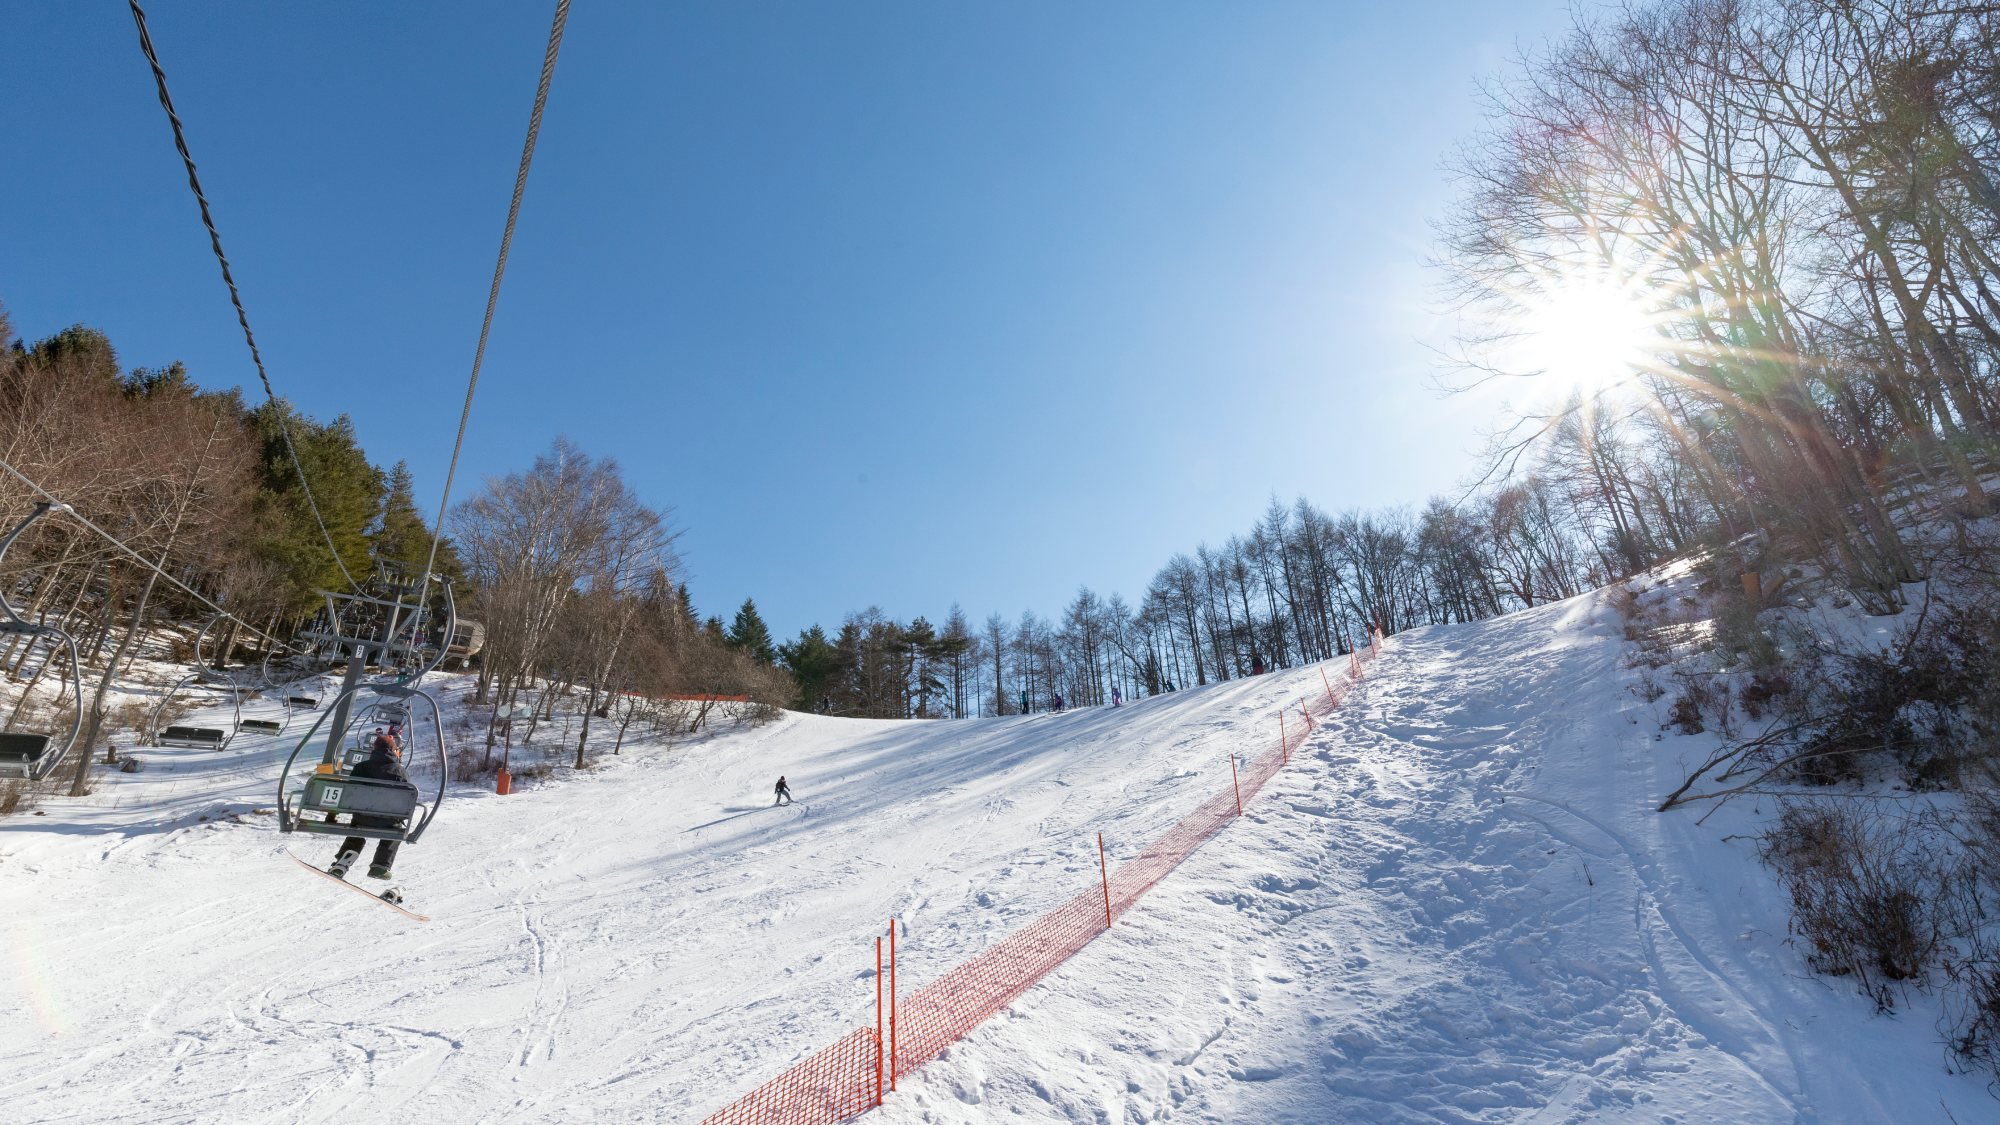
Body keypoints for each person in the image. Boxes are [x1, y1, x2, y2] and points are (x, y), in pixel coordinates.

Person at [328, 730, 418, 881]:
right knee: (395, 833)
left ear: (374, 750)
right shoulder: (400, 772)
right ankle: (380, 866)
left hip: (361, 817)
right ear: (393, 751)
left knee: (357, 830)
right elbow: (406, 799)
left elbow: (349, 794)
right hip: (388, 822)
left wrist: (333, 814)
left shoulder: (360, 768)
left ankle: (342, 863)